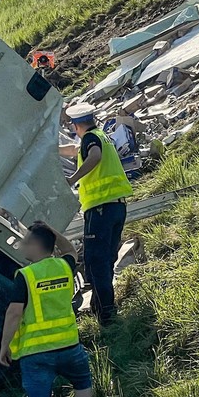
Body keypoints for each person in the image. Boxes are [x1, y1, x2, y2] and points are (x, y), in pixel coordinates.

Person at [0, 222, 93, 397]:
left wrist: (5, 347)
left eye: (25, 242)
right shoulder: (64, 265)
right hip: (69, 346)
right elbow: (69, 249)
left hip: (36, 353)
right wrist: (51, 229)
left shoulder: (26, 275)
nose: (22, 246)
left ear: (34, 245)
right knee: (83, 382)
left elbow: (14, 313)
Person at [59, 104, 133, 324]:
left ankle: (107, 316)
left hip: (100, 209)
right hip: (116, 207)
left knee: (95, 263)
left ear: (77, 125)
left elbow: (94, 155)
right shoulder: (102, 136)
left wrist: (72, 180)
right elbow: (75, 149)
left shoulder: (91, 140)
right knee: (106, 259)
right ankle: (100, 307)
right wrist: (52, 148)